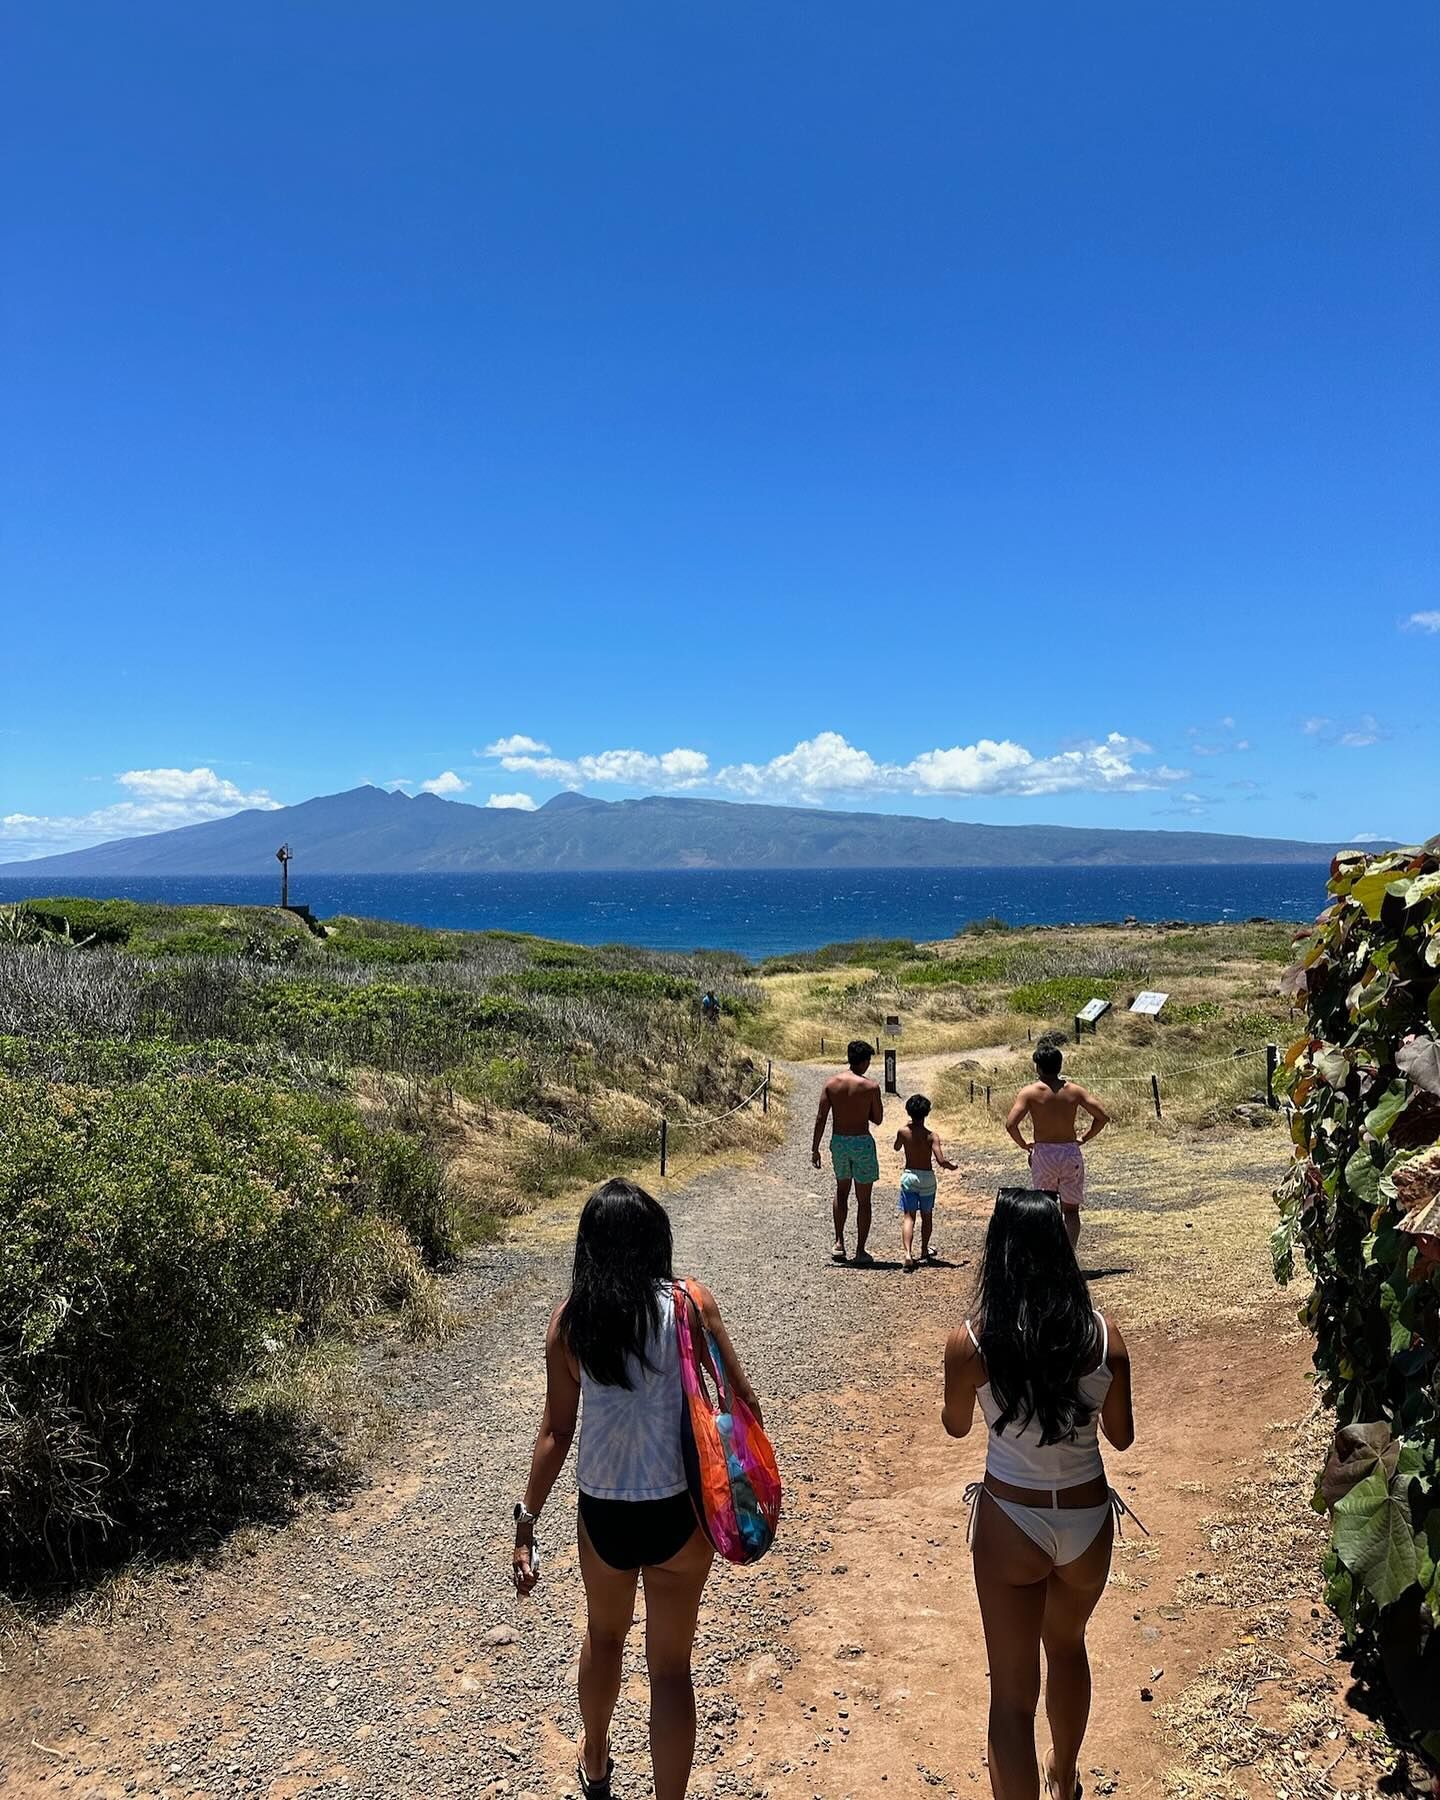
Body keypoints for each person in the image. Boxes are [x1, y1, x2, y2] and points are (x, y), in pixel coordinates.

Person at [512, 1178, 761, 1800]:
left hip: (605, 1514)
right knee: (672, 1669)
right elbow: (739, 1395)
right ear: (656, 1240)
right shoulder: (689, 1304)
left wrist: (526, 1522)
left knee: (603, 1637)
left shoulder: (571, 1322)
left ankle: (595, 1760)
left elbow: (556, 1431)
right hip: (680, 1510)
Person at [942, 1188, 1138, 1800]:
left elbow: (954, 1425)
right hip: (1086, 1519)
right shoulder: (1104, 1337)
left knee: (1010, 1695)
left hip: (1011, 1520)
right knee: (1068, 1644)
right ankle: (1067, 1774)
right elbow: (1122, 1437)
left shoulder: (973, 1342)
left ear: (996, 1252)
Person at [1004, 1039, 1109, 1250]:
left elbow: (1011, 1124)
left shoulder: (1030, 1092)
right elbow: (1102, 1116)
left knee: (1045, 1207)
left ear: (1038, 1066)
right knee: (1071, 1210)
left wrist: (1025, 1144)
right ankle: (1068, 1255)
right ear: (1059, 1065)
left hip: (1044, 1153)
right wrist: (1084, 1137)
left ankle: (1048, 1255)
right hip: (1070, 1151)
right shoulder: (1075, 1091)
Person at [812, 1039, 884, 1263]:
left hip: (840, 1142)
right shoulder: (870, 1087)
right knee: (864, 1200)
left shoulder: (832, 1084)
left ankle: (839, 1242)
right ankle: (860, 1250)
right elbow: (878, 1119)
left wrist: (815, 1148)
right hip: (861, 1142)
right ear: (863, 1062)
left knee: (841, 1192)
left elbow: (821, 1117)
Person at [893, 1093, 958, 1272]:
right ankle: (924, 1250)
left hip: (909, 1176)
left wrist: (904, 1129)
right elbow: (940, 1160)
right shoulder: (932, 1136)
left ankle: (907, 1253)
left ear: (908, 1111)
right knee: (927, 1216)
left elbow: (896, 1147)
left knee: (909, 1216)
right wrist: (952, 1166)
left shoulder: (903, 1132)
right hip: (927, 1178)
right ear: (927, 1113)